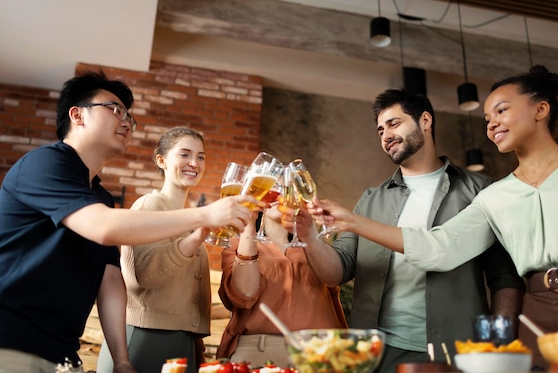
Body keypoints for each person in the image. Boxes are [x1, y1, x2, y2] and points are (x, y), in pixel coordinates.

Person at [308, 66, 558, 370]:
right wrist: (349, 222)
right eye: (487, 118)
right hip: (535, 313)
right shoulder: (495, 196)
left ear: (541, 109)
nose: (491, 124)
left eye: (501, 111)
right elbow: (439, 247)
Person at [0, 71, 259, 373]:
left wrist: (122, 359)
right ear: (77, 115)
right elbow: (104, 228)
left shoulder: (100, 197)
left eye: (129, 117)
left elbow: (110, 281)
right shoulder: (45, 162)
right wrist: (206, 214)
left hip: (62, 352)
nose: (126, 121)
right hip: (11, 340)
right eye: (114, 110)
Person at [281, 89, 524, 373]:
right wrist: (309, 237)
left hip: (455, 350)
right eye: (380, 130)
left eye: (394, 124)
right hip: (378, 352)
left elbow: (505, 276)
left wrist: (499, 343)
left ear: (425, 120)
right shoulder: (371, 199)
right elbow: (337, 272)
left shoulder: (478, 190)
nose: (385, 136)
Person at [96, 126, 215, 373]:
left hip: (182, 341)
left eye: (200, 156)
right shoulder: (150, 205)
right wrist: (198, 237)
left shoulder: (185, 217)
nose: (194, 162)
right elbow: (147, 274)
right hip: (145, 337)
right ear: (161, 160)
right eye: (184, 154)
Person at [217, 203, 347, 368]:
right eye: (272, 182)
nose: (279, 190)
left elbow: (334, 278)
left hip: (320, 352)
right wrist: (249, 225)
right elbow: (244, 294)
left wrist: (309, 234)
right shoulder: (239, 244)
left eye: (285, 183)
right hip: (260, 352)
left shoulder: (318, 249)